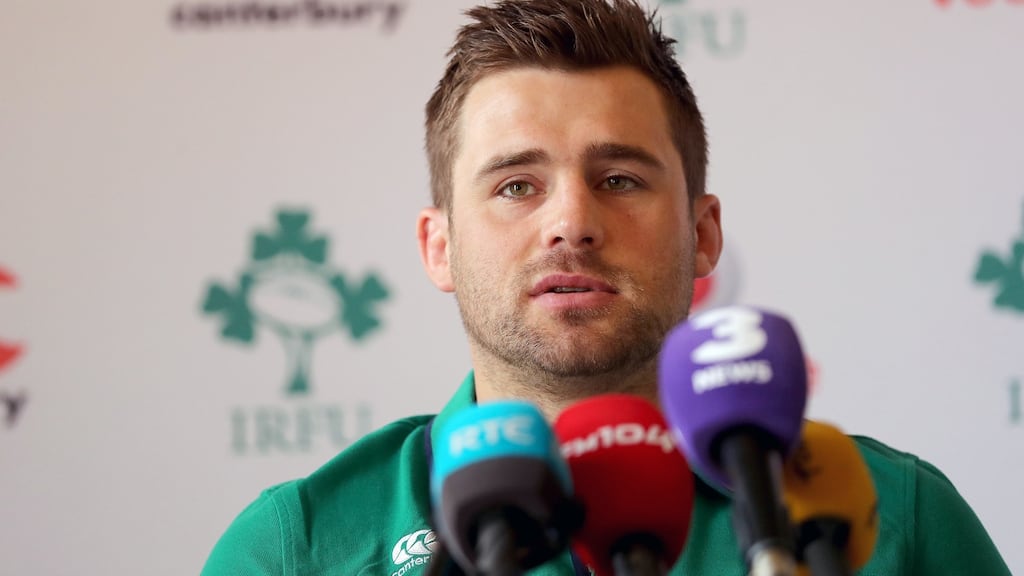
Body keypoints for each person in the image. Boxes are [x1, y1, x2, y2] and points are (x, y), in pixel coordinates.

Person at [200, 1, 1011, 574]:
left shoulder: (891, 518)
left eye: (619, 178)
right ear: (438, 246)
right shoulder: (298, 549)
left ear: (703, 235)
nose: (571, 223)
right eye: (516, 185)